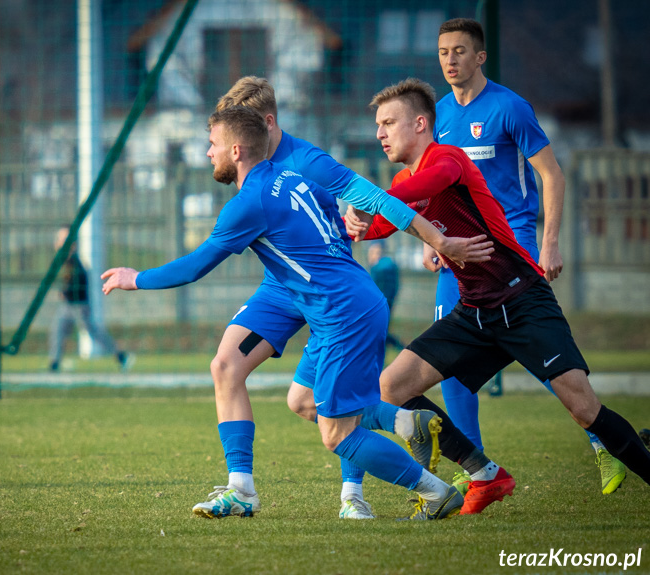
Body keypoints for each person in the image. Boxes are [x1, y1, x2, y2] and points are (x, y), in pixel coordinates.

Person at [102, 105, 497, 520]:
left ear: (237, 150)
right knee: (302, 399)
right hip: (346, 303)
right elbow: (336, 217)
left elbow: (195, 266)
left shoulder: (248, 202)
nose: (207, 153)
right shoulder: (290, 177)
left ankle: (435, 493)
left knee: (337, 433)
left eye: (212, 144)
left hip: (343, 313)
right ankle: (403, 424)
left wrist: (136, 278)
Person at [360, 78, 650, 512]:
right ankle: (484, 474)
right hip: (474, 312)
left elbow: (411, 194)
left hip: (523, 301)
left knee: (584, 410)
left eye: (388, 123)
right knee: (392, 386)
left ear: (420, 124)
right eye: (378, 125)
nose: (379, 133)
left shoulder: (448, 160)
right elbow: (380, 223)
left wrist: (370, 199)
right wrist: (355, 222)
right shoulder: (406, 179)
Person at [427, 17, 627, 495]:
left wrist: (549, 241)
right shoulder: (437, 116)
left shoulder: (510, 107)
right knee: (445, 363)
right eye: (442, 53)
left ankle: (603, 441)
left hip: (509, 247)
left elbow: (552, 176)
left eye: (459, 51)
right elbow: (440, 188)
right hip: (460, 254)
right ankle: (478, 472)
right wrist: (438, 240)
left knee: (542, 358)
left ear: (480, 57)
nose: (450, 61)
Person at [204, 77, 415, 520]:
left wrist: (430, 239)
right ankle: (241, 487)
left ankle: (353, 495)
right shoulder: (252, 173)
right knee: (230, 367)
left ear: (264, 122)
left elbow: (366, 200)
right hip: (282, 290)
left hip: (329, 293)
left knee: (337, 402)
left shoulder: (307, 162)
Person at [48, 227, 132, 372]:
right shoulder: (64, 261)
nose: (61, 243)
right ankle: (54, 363)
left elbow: (76, 283)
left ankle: (120, 355)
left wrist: (64, 293)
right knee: (58, 331)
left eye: (64, 240)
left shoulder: (75, 263)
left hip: (79, 305)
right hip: (68, 305)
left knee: (93, 331)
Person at [366, 240, 403, 354]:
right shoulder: (377, 267)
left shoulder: (384, 266)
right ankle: (402, 349)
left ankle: (402, 349)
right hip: (382, 303)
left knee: (378, 331)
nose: (374, 254)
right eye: (372, 251)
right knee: (380, 331)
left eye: (377, 251)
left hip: (381, 304)